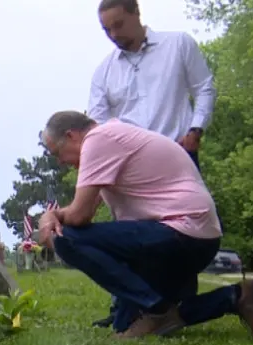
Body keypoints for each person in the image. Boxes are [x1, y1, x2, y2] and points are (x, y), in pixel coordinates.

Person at [35, 111, 253, 339]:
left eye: (58, 153)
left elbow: (79, 216)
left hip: (180, 233)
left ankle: (155, 308)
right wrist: (57, 213)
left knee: (66, 238)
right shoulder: (115, 136)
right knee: (125, 325)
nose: (61, 162)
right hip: (194, 238)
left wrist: (51, 218)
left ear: (71, 136)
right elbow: (85, 209)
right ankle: (238, 296)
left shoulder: (98, 140)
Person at [88, 0, 217, 326]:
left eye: (118, 25)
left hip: (177, 156)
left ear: (136, 14)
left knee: (181, 235)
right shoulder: (104, 71)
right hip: (131, 168)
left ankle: (179, 306)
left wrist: (196, 129)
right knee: (130, 235)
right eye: (106, 30)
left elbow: (204, 88)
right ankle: (126, 308)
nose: (113, 34)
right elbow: (97, 121)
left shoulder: (178, 44)